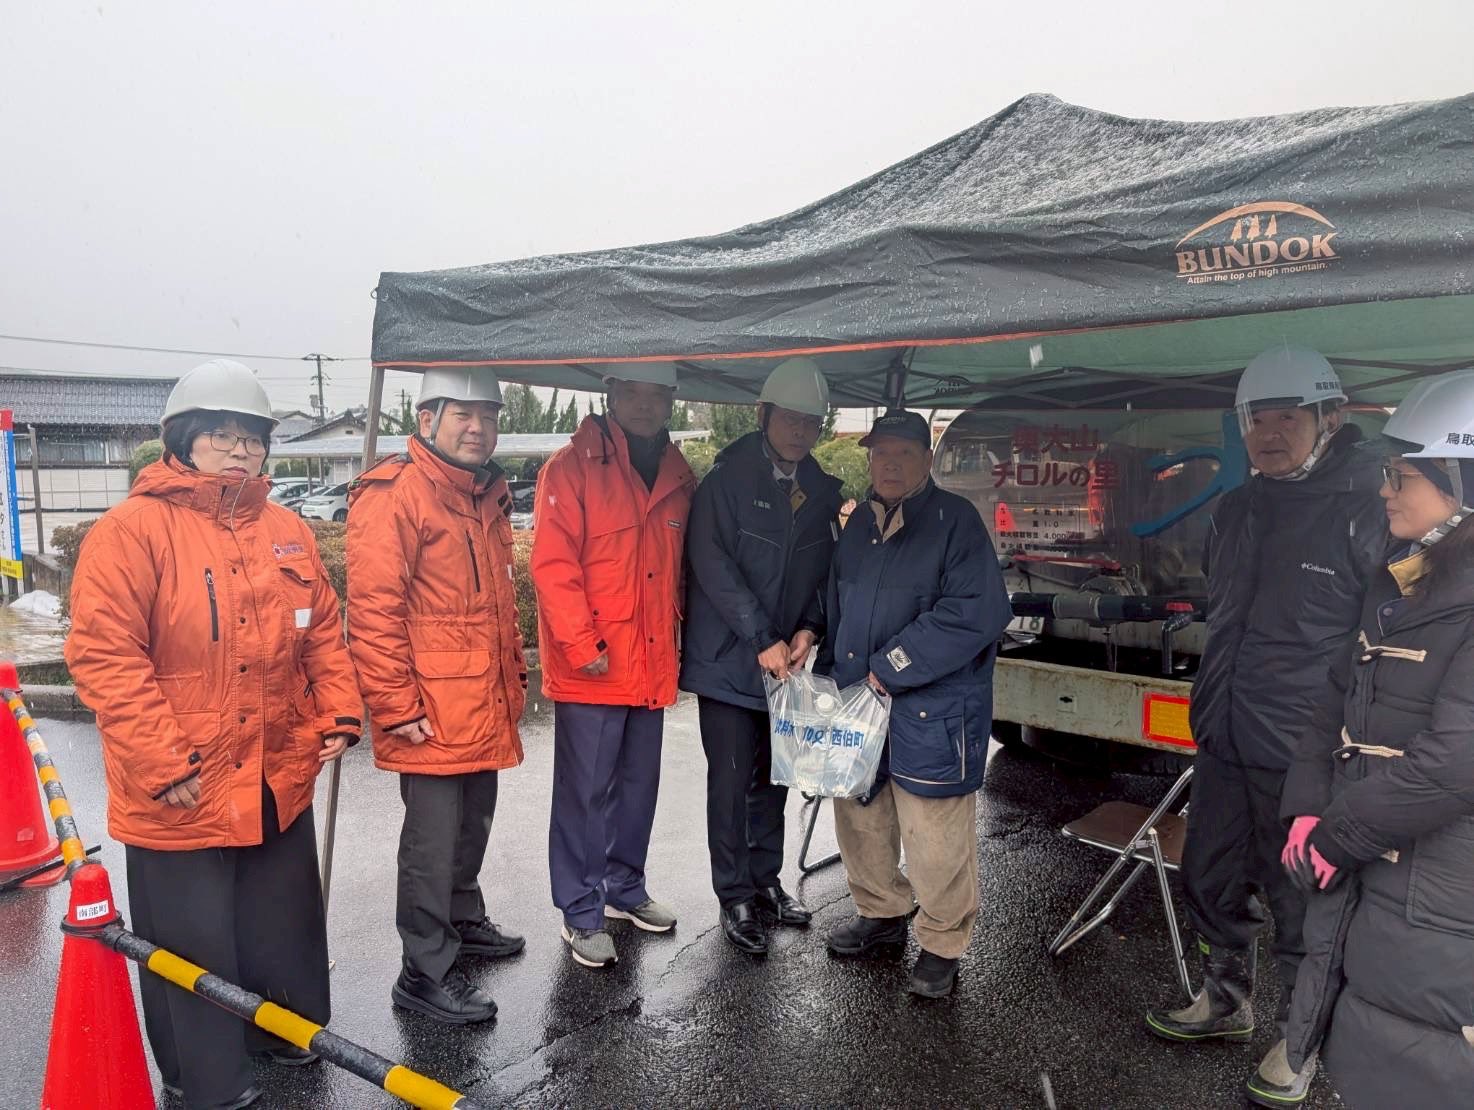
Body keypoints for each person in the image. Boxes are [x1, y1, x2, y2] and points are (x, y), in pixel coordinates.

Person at [65, 359, 362, 1110]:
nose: (239, 451)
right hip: (182, 779)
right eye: (221, 436)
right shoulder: (131, 532)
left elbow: (323, 634)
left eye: (252, 439)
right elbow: (104, 655)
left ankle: (285, 1033)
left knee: (279, 924)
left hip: (276, 772)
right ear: (184, 440)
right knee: (189, 940)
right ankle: (205, 1079)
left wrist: (338, 711)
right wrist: (162, 760)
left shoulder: (287, 530)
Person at [1144, 347, 1387, 1108]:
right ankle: (1225, 1001)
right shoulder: (1239, 507)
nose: (1269, 433)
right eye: (1257, 418)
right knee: (1210, 877)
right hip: (1225, 732)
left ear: (1331, 418)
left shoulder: (1367, 509)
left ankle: (1301, 1040)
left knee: (1301, 904)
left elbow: (1383, 642)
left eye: (1288, 416)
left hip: (1306, 754)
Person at [1280, 370, 1474, 1108]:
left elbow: (1456, 761)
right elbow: (1335, 700)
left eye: (1402, 476)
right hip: (1385, 880)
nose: (1384, 491)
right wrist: (1307, 804)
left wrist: (1341, 833)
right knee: (1374, 1052)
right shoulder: (1403, 581)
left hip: (1444, 899)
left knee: (1423, 1063)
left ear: (1463, 485)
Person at [347, 367, 527, 1025]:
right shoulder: (397, 494)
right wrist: (395, 705)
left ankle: (462, 918)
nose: (478, 428)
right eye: (463, 415)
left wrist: (512, 679)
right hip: (427, 709)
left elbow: (496, 605)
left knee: (472, 821)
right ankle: (424, 972)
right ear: (426, 420)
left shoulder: (481, 494)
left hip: (480, 700)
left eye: (489, 416)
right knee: (431, 843)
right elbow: (373, 611)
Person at [815, 409, 1010, 998]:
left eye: (904, 453)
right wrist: (828, 675)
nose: (891, 464)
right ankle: (881, 913)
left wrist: (890, 666)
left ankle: (942, 944)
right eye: (881, 453)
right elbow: (837, 603)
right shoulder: (858, 524)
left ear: (927, 460)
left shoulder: (956, 521)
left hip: (932, 710)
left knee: (935, 835)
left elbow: (975, 612)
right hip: (859, 703)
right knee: (862, 816)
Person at [531, 363, 697, 968]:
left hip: (650, 661)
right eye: (633, 393)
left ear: (671, 400)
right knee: (585, 793)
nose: (645, 405)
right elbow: (553, 566)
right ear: (611, 394)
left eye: (657, 395)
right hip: (594, 666)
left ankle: (625, 886)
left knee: (637, 785)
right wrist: (583, 647)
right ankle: (581, 909)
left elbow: (681, 570)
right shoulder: (570, 469)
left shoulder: (678, 472)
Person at [681, 358, 843, 955]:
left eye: (811, 422)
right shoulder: (726, 482)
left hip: (787, 666)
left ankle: (766, 881)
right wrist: (761, 638)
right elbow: (712, 565)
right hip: (729, 662)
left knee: (775, 777)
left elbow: (827, 572)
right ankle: (735, 897)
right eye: (790, 418)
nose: (800, 431)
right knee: (729, 783)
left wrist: (810, 628)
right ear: (763, 415)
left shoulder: (822, 490)